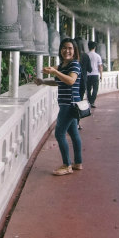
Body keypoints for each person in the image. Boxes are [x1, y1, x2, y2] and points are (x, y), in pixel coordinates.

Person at [33, 37, 82, 175]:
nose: (67, 50)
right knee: (73, 133)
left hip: (69, 104)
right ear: (60, 50)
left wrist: (55, 72)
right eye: (64, 48)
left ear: (74, 51)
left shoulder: (74, 65)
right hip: (68, 104)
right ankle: (78, 162)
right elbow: (60, 82)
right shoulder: (63, 66)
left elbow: (71, 81)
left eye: (70, 48)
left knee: (59, 134)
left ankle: (67, 165)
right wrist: (43, 81)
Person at [85, 40, 103, 106]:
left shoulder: (86, 55)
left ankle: (90, 101)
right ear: (95, 47)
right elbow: (100, 66)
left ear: (88, 47)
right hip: (95, 74)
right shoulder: (98, 56)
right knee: (95, 89)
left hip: (87, 75)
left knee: (88, 89)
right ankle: (92, 101)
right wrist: (101, 75)